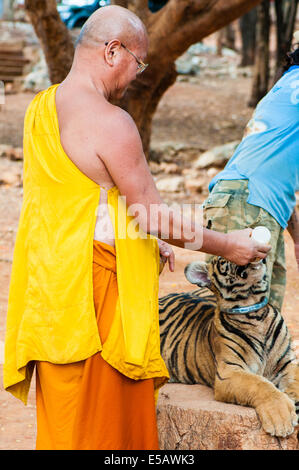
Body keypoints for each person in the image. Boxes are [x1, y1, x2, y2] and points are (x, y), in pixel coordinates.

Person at [3, 5, 270, 450]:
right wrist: (228, 247)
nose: (137, 75)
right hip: (97, 304)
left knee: (65, 427)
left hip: (50, 297)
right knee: (107, 434)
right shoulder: (111, 123)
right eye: (138, 62)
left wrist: (141, 239)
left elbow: (79, 201)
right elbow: (154, 215)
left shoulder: (40, 109)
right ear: (113, 50)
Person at [203, 32, 299, 312]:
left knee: (264, 321)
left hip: (256, 206)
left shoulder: (284, 91)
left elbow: (273, 171)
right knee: (240, 321)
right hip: (246, 206)